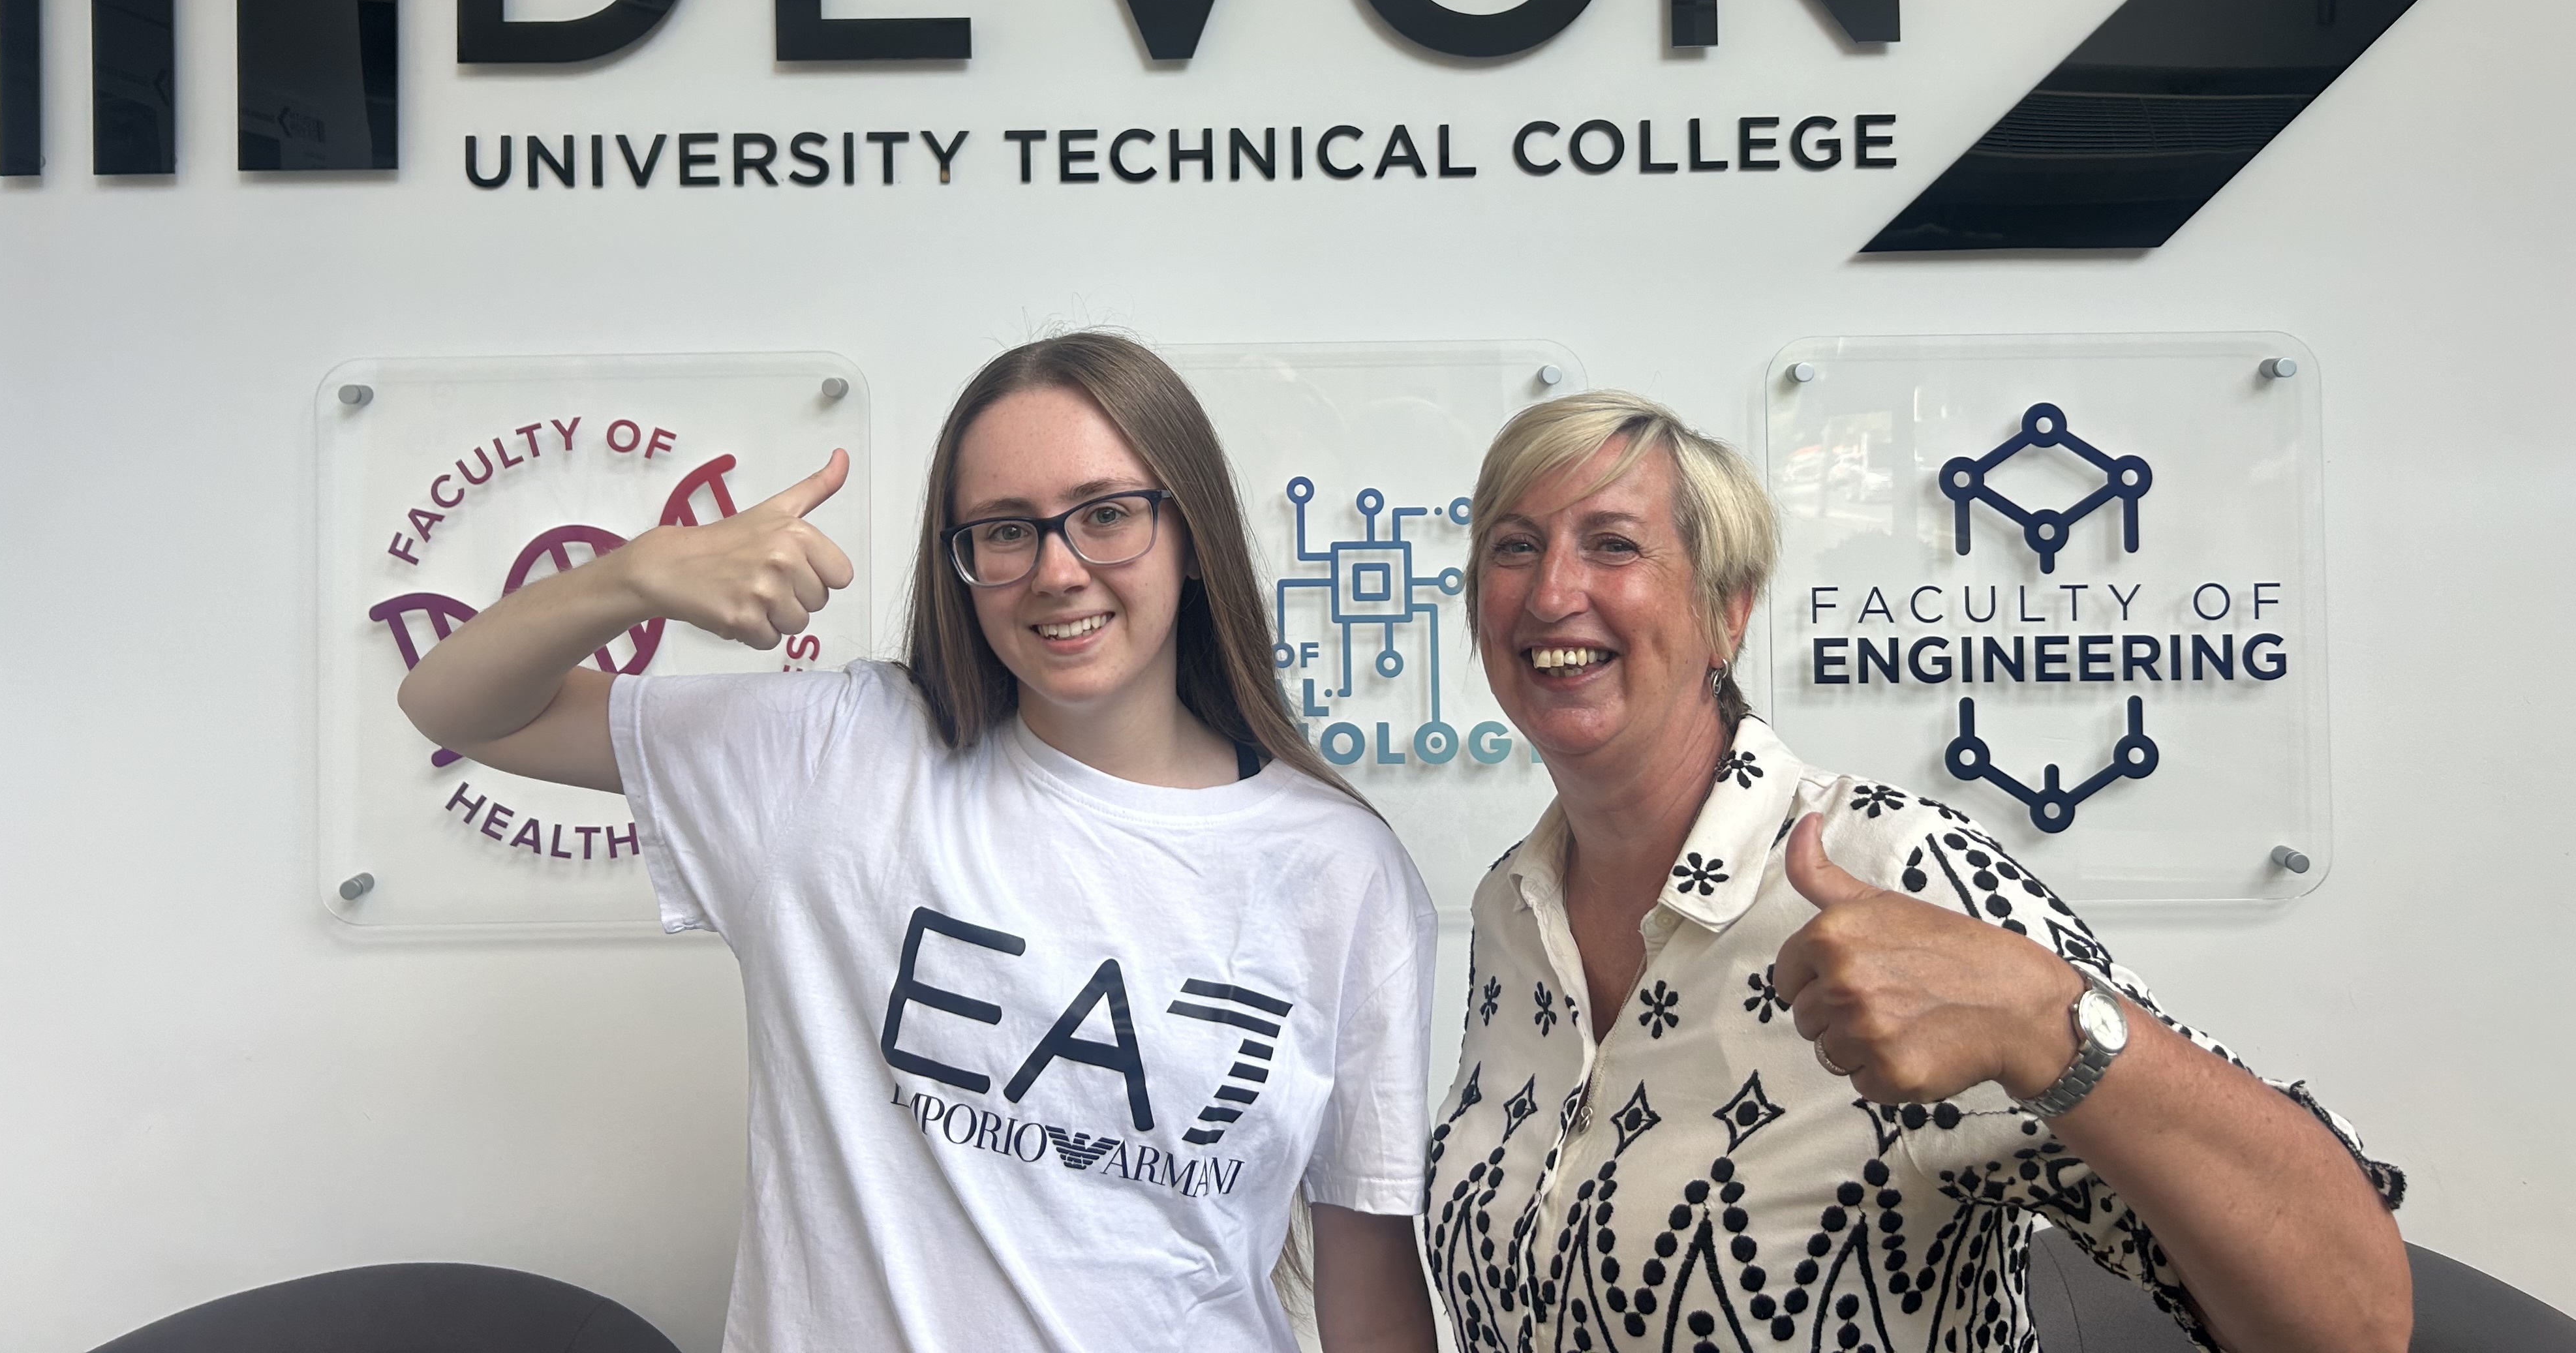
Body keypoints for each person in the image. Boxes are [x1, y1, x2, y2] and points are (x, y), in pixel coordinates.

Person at [401, 333, 1439, 1353]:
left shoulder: (1343, 871)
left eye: (1108, 515)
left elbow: (1372, 1309)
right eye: (1006, 530)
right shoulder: (836, 760)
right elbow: (455, 706)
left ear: (1194, 534)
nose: (1058, 570)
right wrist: (635, 576)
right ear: (962, 563)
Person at [1422, 391, 2410, 1353]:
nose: (1551, 593)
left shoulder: (1896, 870)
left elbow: (2354, 1322)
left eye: (1613, 545)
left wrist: (2040, 1019)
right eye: (1515, 546)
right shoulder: (1515, 906)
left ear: (1728, 611)